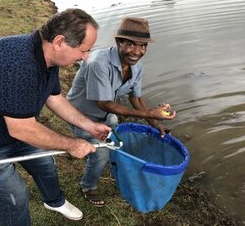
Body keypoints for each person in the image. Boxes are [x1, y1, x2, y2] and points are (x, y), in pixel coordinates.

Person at [0, 8, 111, 225]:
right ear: (59, 41)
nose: (85, 57)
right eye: (84, 50)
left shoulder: (48, 58)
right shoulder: (17, 65)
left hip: (9, 129)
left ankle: (54, 201)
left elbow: (54, 98)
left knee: (45, 164)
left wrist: (90, 126)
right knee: (15, 197)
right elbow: (22, 129)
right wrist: (71, 144)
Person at [66, 17, 176, 207]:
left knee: (115, 142)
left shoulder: (136, 66)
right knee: (100, 154)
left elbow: (135, 98)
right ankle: (88, 186)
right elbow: (104, 103)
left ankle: (111, 166)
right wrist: (150, 114)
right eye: (131, 44)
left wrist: (157, 124)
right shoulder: (97, 63)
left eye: (143, 46)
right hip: (81, 115)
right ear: (119, 42)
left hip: (108, 115)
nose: (137, 52)